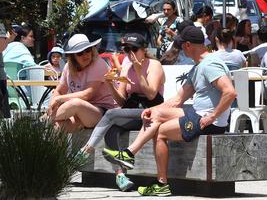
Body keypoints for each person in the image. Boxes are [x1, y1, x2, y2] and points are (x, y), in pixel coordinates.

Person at [102, 26, 236, 196]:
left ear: (188, 45)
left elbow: (230, 92)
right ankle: (130, 156)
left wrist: (213, 116)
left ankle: (159, 181)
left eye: (181, 46)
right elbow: (177, 100)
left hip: (209, 121)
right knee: (155, 116)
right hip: (198, 114)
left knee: (161, 132)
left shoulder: (210, 64)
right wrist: (152, 109)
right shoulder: (198, 67)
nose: (180, 51)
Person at [82, 33, 164, 192]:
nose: (130, 53)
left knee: (111, 114)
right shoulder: (126, 65)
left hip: (152, 111)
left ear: (144, 49)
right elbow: (121, 101)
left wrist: (139, 71)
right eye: (127, 49)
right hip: (133, 110)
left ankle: (87, 149)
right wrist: (110, 85)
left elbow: (152, 94)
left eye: (134, 49)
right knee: (111, 130)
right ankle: (120, 176)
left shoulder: (154, 65)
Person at [47, 34, 118, 132]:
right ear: (73, 56)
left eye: (88, 50)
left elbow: (87, 94)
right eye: (80, 53)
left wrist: (59, 99)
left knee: (75, 103)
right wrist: (52, 104)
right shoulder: (68, 66)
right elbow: (59, 90)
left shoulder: (98, 63)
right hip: (80, 114)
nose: (86, 55)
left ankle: (44, 121)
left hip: (103, 111)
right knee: (56, 127)